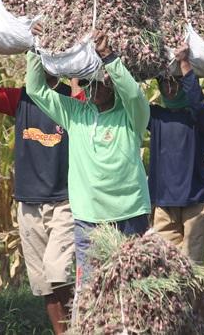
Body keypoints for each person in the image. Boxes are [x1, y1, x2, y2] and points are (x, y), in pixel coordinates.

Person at [0, 17, 75, 334]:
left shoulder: (75, 102)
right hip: (28, 202)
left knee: (60, 273)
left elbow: (100, 90)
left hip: (65, 202)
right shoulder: (21, 100)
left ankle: (83, 327)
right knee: (44, 283)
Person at [25, 26, 151, 288]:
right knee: (92, 289)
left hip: (129, 213)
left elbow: (134, 94)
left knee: (133, 285)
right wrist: (36, 48)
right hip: (88, 217)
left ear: (111, 84)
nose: (89, 88)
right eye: (84, 82)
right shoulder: (76, 113)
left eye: (95, 81)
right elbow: (36, 90)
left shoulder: (131, 116)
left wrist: (108, 57)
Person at [147, 44, 204, 265]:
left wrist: (184, 64)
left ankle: (198, 301)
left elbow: (197, 100)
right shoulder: (156, 117)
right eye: (164, 82)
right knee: (165, 265)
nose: (170, 88)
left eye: (175, 82)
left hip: (195, 200)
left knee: (191, 265)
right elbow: (130, 100)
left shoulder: (201, 116)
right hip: (164, 203)